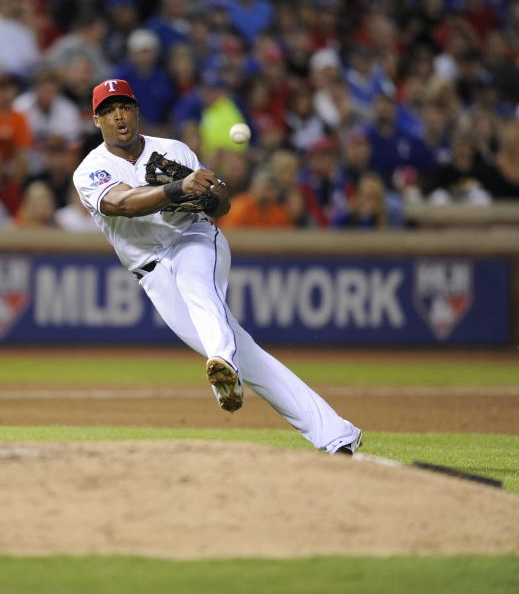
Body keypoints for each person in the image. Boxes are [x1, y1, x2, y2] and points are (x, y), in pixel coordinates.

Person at [72, 79, 363, 455]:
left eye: (124, 106)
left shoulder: (173, 150)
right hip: (151, 271)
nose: (119, 116)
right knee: (247, 354)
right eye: (109, 110)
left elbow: (220, 204)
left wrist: (212, 192)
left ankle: (221, 363)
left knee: (199, 289)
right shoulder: (90, 169)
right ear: (96, 120)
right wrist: (178, 189)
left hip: (193, 240)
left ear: (136, 110)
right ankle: (337, 435)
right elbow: (122, 204)